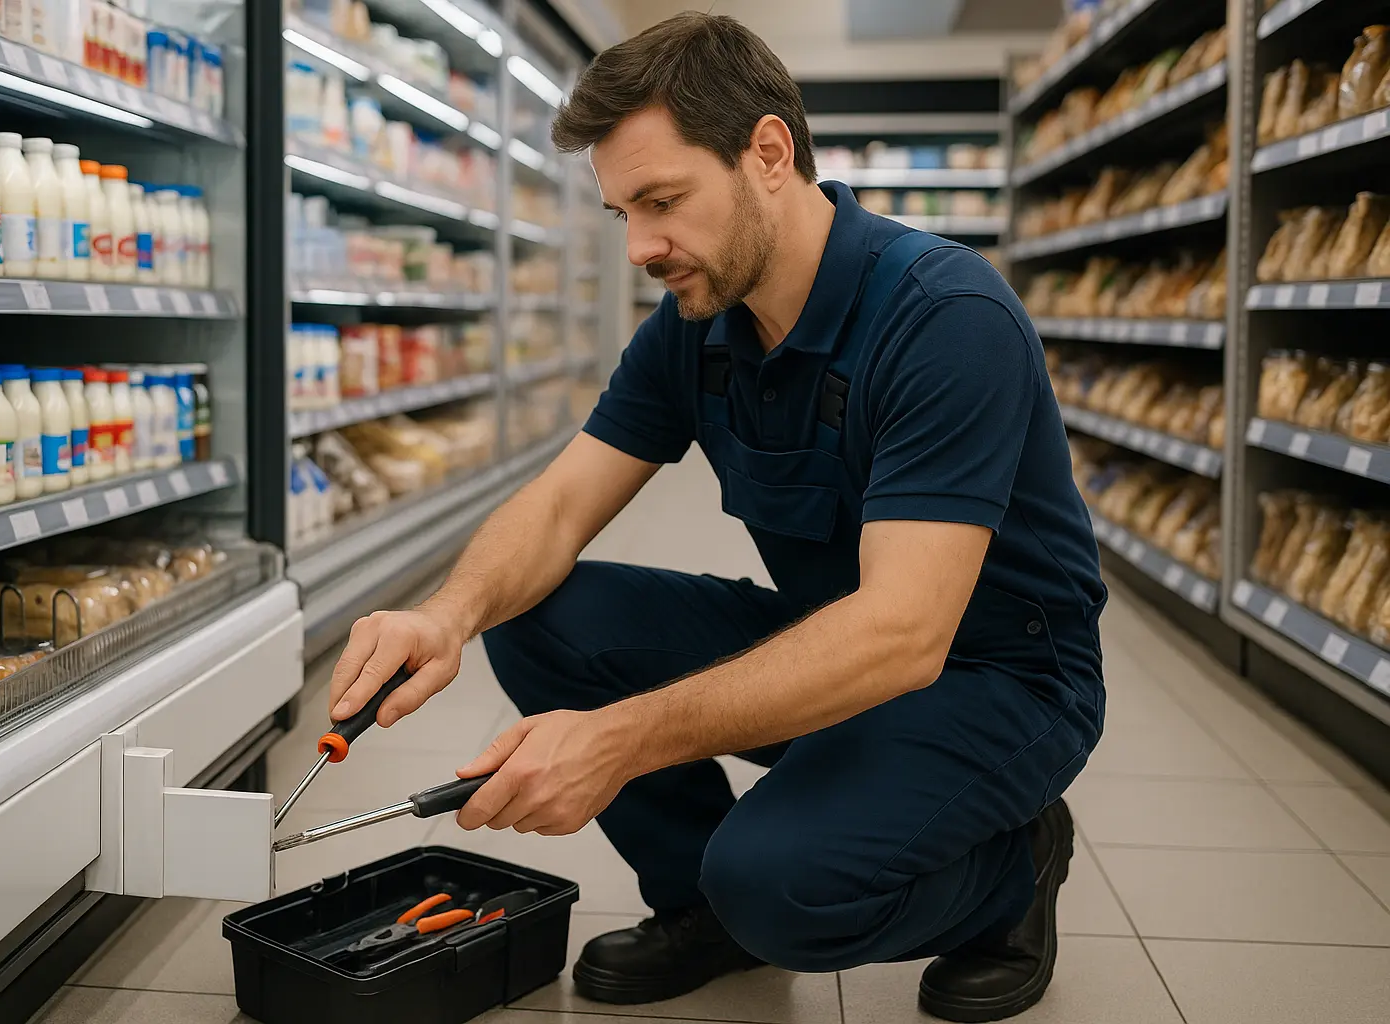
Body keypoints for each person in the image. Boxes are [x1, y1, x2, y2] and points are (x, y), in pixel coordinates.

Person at [329, 12, 1105, 1022]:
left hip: (999, 678)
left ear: (769, 154)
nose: (644, 246)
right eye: (624, 214)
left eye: (664, 200)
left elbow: (907, 633)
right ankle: (701, 912)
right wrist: (446, 614)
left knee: (778, 882)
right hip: (836, 642)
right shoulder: (698, 328)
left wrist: (617, 740)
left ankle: (1014, 869)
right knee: (536, 611)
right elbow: (563, 503)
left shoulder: (944, 318)